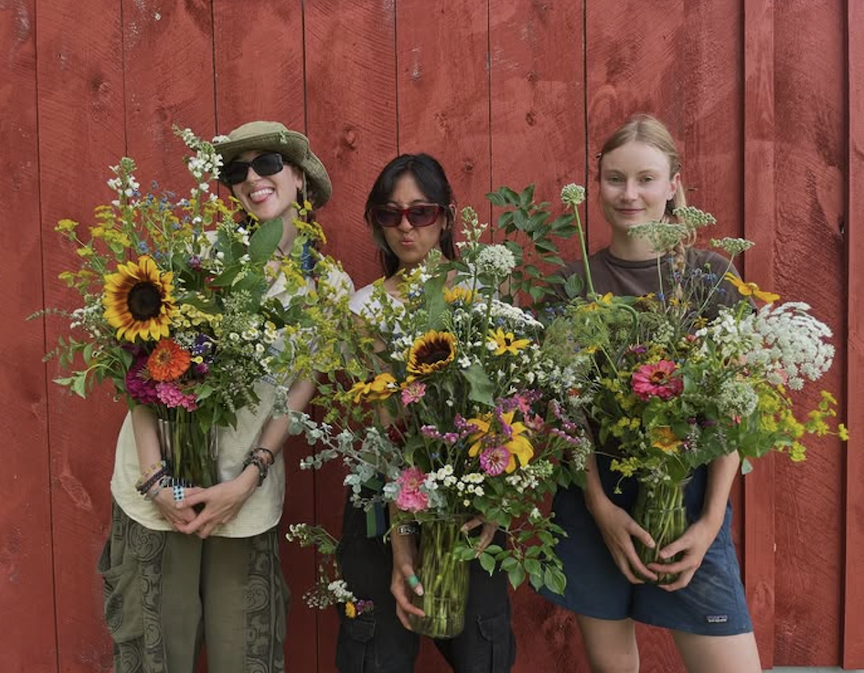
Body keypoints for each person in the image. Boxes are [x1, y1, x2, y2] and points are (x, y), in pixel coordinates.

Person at [98, 121, 337, 673]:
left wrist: (246, 480)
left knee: (247, 656)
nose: (253, 178)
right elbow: (139, 371)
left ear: (300, 178)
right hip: (156, 498)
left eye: (269, 164)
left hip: (241, 500)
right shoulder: (194, 256)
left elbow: (297, 395)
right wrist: (157, 480)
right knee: (153, 656)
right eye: (237, 171)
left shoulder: (327, 287)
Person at [542, 114, 762, 672]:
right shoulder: (573, 285)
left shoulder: (710, 279)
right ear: (596, 186)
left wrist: (711, 523)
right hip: (596, 503)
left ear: (672, 184)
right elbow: (565, 413)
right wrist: (597, 505)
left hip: (688, 502)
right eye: (615, 179)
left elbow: (736, 410)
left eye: (645, 178)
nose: (630, 194)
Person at [336, 153, 516, 672]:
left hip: (469, 499)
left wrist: (497, 503)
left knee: (483, 650)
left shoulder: (481, 295)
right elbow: (389, 428)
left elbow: (506, 408)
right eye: (389, 215)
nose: (406, 227)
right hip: (381, 503)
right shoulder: (363, 309)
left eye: (421, 212)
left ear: (447, 217)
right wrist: (402, 550)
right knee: (376, 652)